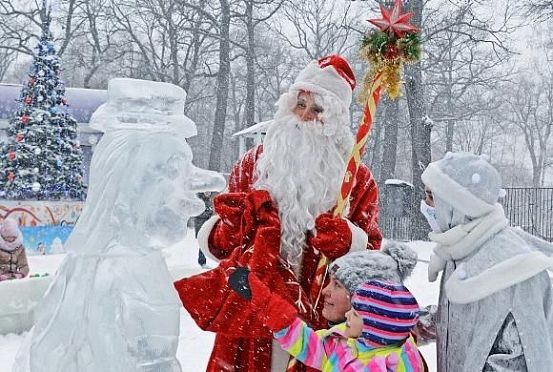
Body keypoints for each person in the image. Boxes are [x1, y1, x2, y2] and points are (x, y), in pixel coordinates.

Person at [13, 78, 226, 372]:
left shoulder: (138, 263)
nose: (194, 190)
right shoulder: (109, 277)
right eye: (174, 170)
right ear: (128, 185)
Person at [196, 54, 382, 371]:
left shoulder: (355, 181)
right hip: (251, 321)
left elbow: (374, 261)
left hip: (319, 327)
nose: (305, 116)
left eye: (317, 109)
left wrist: (349, 242)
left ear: (334, 121)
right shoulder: (254, 164)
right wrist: (230, 228)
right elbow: (221, 247)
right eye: (300, 104)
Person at [420, 152, 553, 371]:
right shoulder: (462, 248)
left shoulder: (511, 270)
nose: (425, 205)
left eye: (432, 197)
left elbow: (520, 359)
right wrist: (423, 323)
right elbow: (468, 321)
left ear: (458, 205)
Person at [227, 242, 425, 371]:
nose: (325, 291)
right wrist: (268, 304)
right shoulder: (340, 341)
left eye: (337, 285)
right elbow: (305, 342)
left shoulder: (398, 361)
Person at [194, 192, 213, 268]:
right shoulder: (200, 201)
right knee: (202, 244)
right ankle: (202, 262)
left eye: (209, 192)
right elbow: (198, 213)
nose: (208, 193)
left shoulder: (208, 200)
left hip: (205, 225)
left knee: (204, 243)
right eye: (207, 192)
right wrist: (208, 213)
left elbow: (209, 211)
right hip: (200, 225)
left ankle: (202, 261)